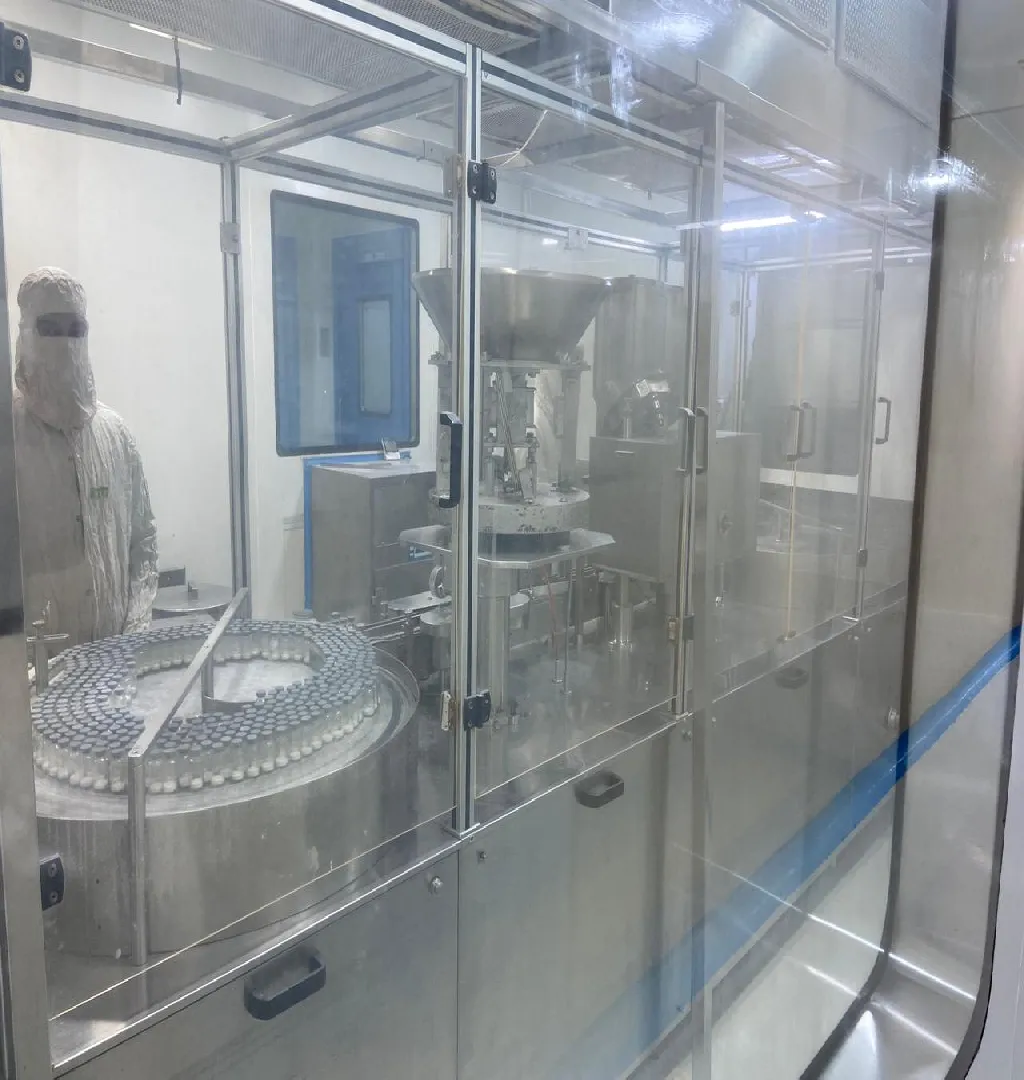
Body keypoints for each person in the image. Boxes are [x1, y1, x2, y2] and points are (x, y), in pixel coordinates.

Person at [12, 267, 158, 646]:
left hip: (113, 660)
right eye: (50, 328)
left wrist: (134, 635)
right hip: (34, 669)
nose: (65, 342)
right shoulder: (7, 436)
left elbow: (143, 541)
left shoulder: (116, 437)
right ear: (25, 334)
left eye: (75, 329)